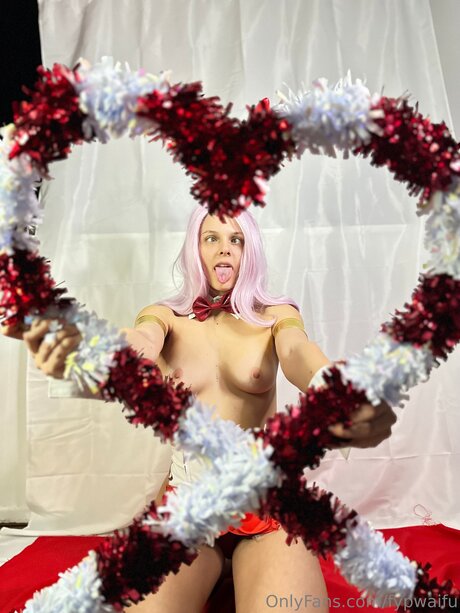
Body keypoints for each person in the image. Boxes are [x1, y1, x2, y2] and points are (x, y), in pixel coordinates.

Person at [2, 206, 396, 613]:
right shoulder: (165, 316)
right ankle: (213, 570)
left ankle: (247, 566)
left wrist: (333, 384)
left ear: (249, 250)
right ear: (195, 247)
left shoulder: (275, 316)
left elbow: (298, 352)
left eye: (236, 240)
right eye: (212, 238)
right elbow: (141, 341)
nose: (224, 249)